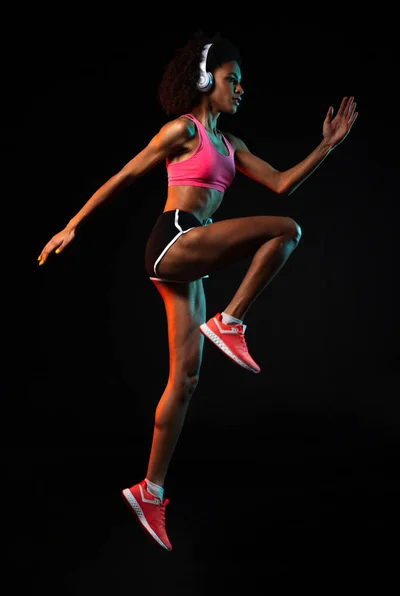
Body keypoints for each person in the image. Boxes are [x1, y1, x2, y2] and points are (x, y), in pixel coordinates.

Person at [37, 31, 358, 551]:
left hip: (189, 256)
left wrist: (327, 144)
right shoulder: (181, 131)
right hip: (175, 240)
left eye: (242, 83)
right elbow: (125, 174)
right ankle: (230, 323)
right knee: (286, 230)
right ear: (207, 81)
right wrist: (72, 225)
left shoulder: (233, 145)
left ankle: (150, 490)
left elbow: (280, 182)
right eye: (232, 80)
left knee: (184, 378)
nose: (240, 90)